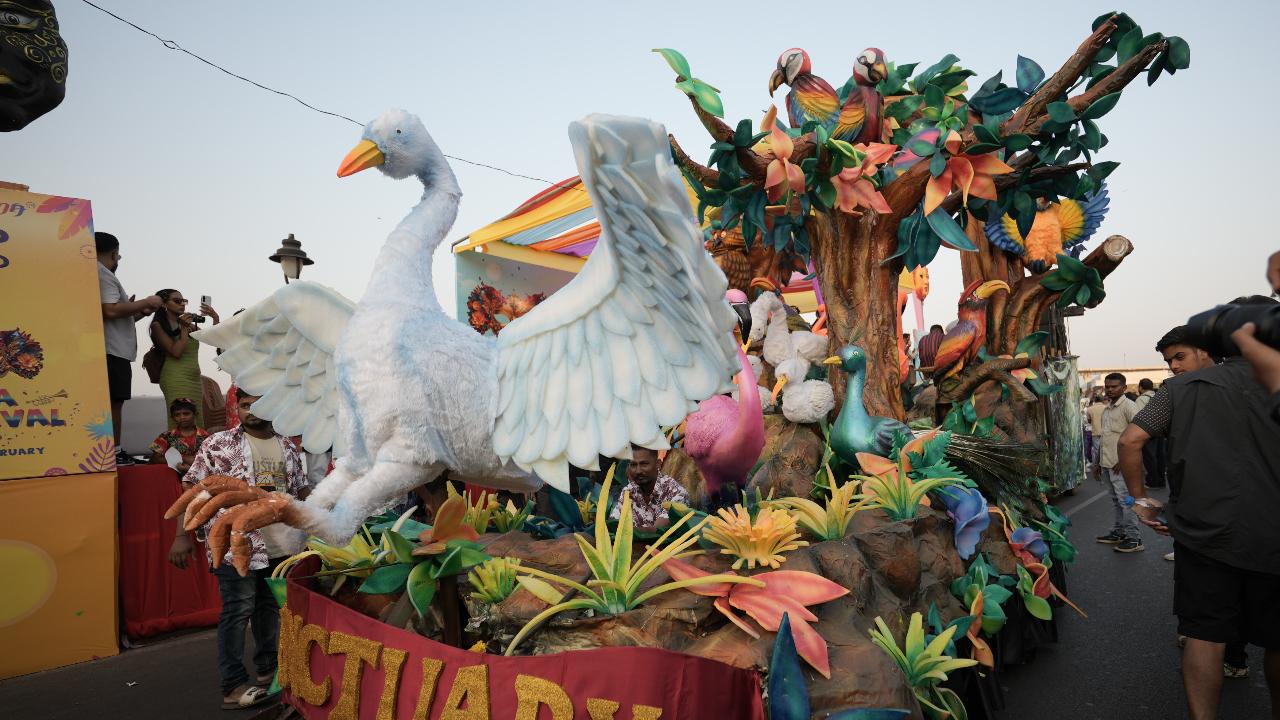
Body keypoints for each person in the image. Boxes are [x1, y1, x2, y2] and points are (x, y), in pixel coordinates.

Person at [1119, 298, 1280, 720]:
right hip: (1274, 536)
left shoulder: (1178, 390)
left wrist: (1140, 500)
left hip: (1205, 536)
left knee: (1203, 635)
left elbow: (1130, 441)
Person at [171, 388, 310, 710]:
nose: (250, 411)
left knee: (268, 609)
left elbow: (299, 489)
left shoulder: (288, 445)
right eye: (244, 405)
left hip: (280, 544)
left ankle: (267, 670)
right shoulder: (218, 444)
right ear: (237, 408)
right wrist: (182, 535)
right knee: (237, 611)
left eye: (257, 404)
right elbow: (192, 487)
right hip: (236, 543)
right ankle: (232, 686)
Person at [95, 232, 162, 465]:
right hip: (113, 351)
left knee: (115, 401)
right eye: (118, 255)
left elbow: (114, 317)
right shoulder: (102, 274)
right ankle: (114, 451)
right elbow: (111, 310)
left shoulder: (98, 274)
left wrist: (136, 312)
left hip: (112, 347)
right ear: (114, 253)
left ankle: (114, 450)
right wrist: (147, 302)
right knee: (114, 401)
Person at [150, 289, 220, 429]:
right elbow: (176, 352)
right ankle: (178, 451)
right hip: (175, 378)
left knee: (197, 421)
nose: (182, 304)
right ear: (164, 304)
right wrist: (183, 329)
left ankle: (195, 451)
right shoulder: (158, 325)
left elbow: (214, 339)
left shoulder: (189, 326)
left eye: (184, 301)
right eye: (177, 301)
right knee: (181, 421)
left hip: (194, 380)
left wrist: (215, 318)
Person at [1095, 372, 1142, 553]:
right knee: (1116, 501)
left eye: (1114, 386)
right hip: (1107, 464)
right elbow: (1106, 437)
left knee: (1127, 502)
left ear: (1123, 388)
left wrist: (1124, 460)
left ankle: (1134, 538)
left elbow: (1139, 435)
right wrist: (1098, 462)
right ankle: (1119, 532)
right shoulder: (1107, 408)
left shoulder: (1129, 407)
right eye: (1107, 386)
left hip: (1122, 465)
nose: (1109, 389)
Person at [608, 445, 690, 532]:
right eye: (633, 465)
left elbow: (657, 531)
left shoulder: (675, 492)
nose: (638, 471)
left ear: (658, 464)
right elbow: (613, 523)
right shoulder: (628, 491)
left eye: (644, 464)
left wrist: (623, 532)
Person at [149, 397, 209, 477]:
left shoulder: (206, 436)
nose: (182, 417)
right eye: (177, 415)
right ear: (173, 418)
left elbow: (211, 460)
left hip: (200, 477)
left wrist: (190, 467)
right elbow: (155, 459)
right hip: (172, 477)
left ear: (195, 415)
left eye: (186, 413)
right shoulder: (165, 436)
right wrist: (184, 458)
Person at [1134, 378, 1164, 489]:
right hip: (1161, 431)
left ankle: (1152, 481)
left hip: (1148, 432)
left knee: (1150, 457)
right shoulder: (1158, 396)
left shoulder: (1141, 399)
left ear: (1141, 387)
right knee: (1160, 456)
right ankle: (1161, 481)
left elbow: (1139, 417)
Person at [1085, 393, 1107, 481]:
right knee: (1105, 450)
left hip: (1095, 432)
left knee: (1097, 451)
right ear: (1102, 400)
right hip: (1105, 432)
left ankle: (1098, 468)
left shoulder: (1090, 409)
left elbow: (1089, 421)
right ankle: (1105, 468)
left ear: (1094, 400)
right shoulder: (1106, 407)